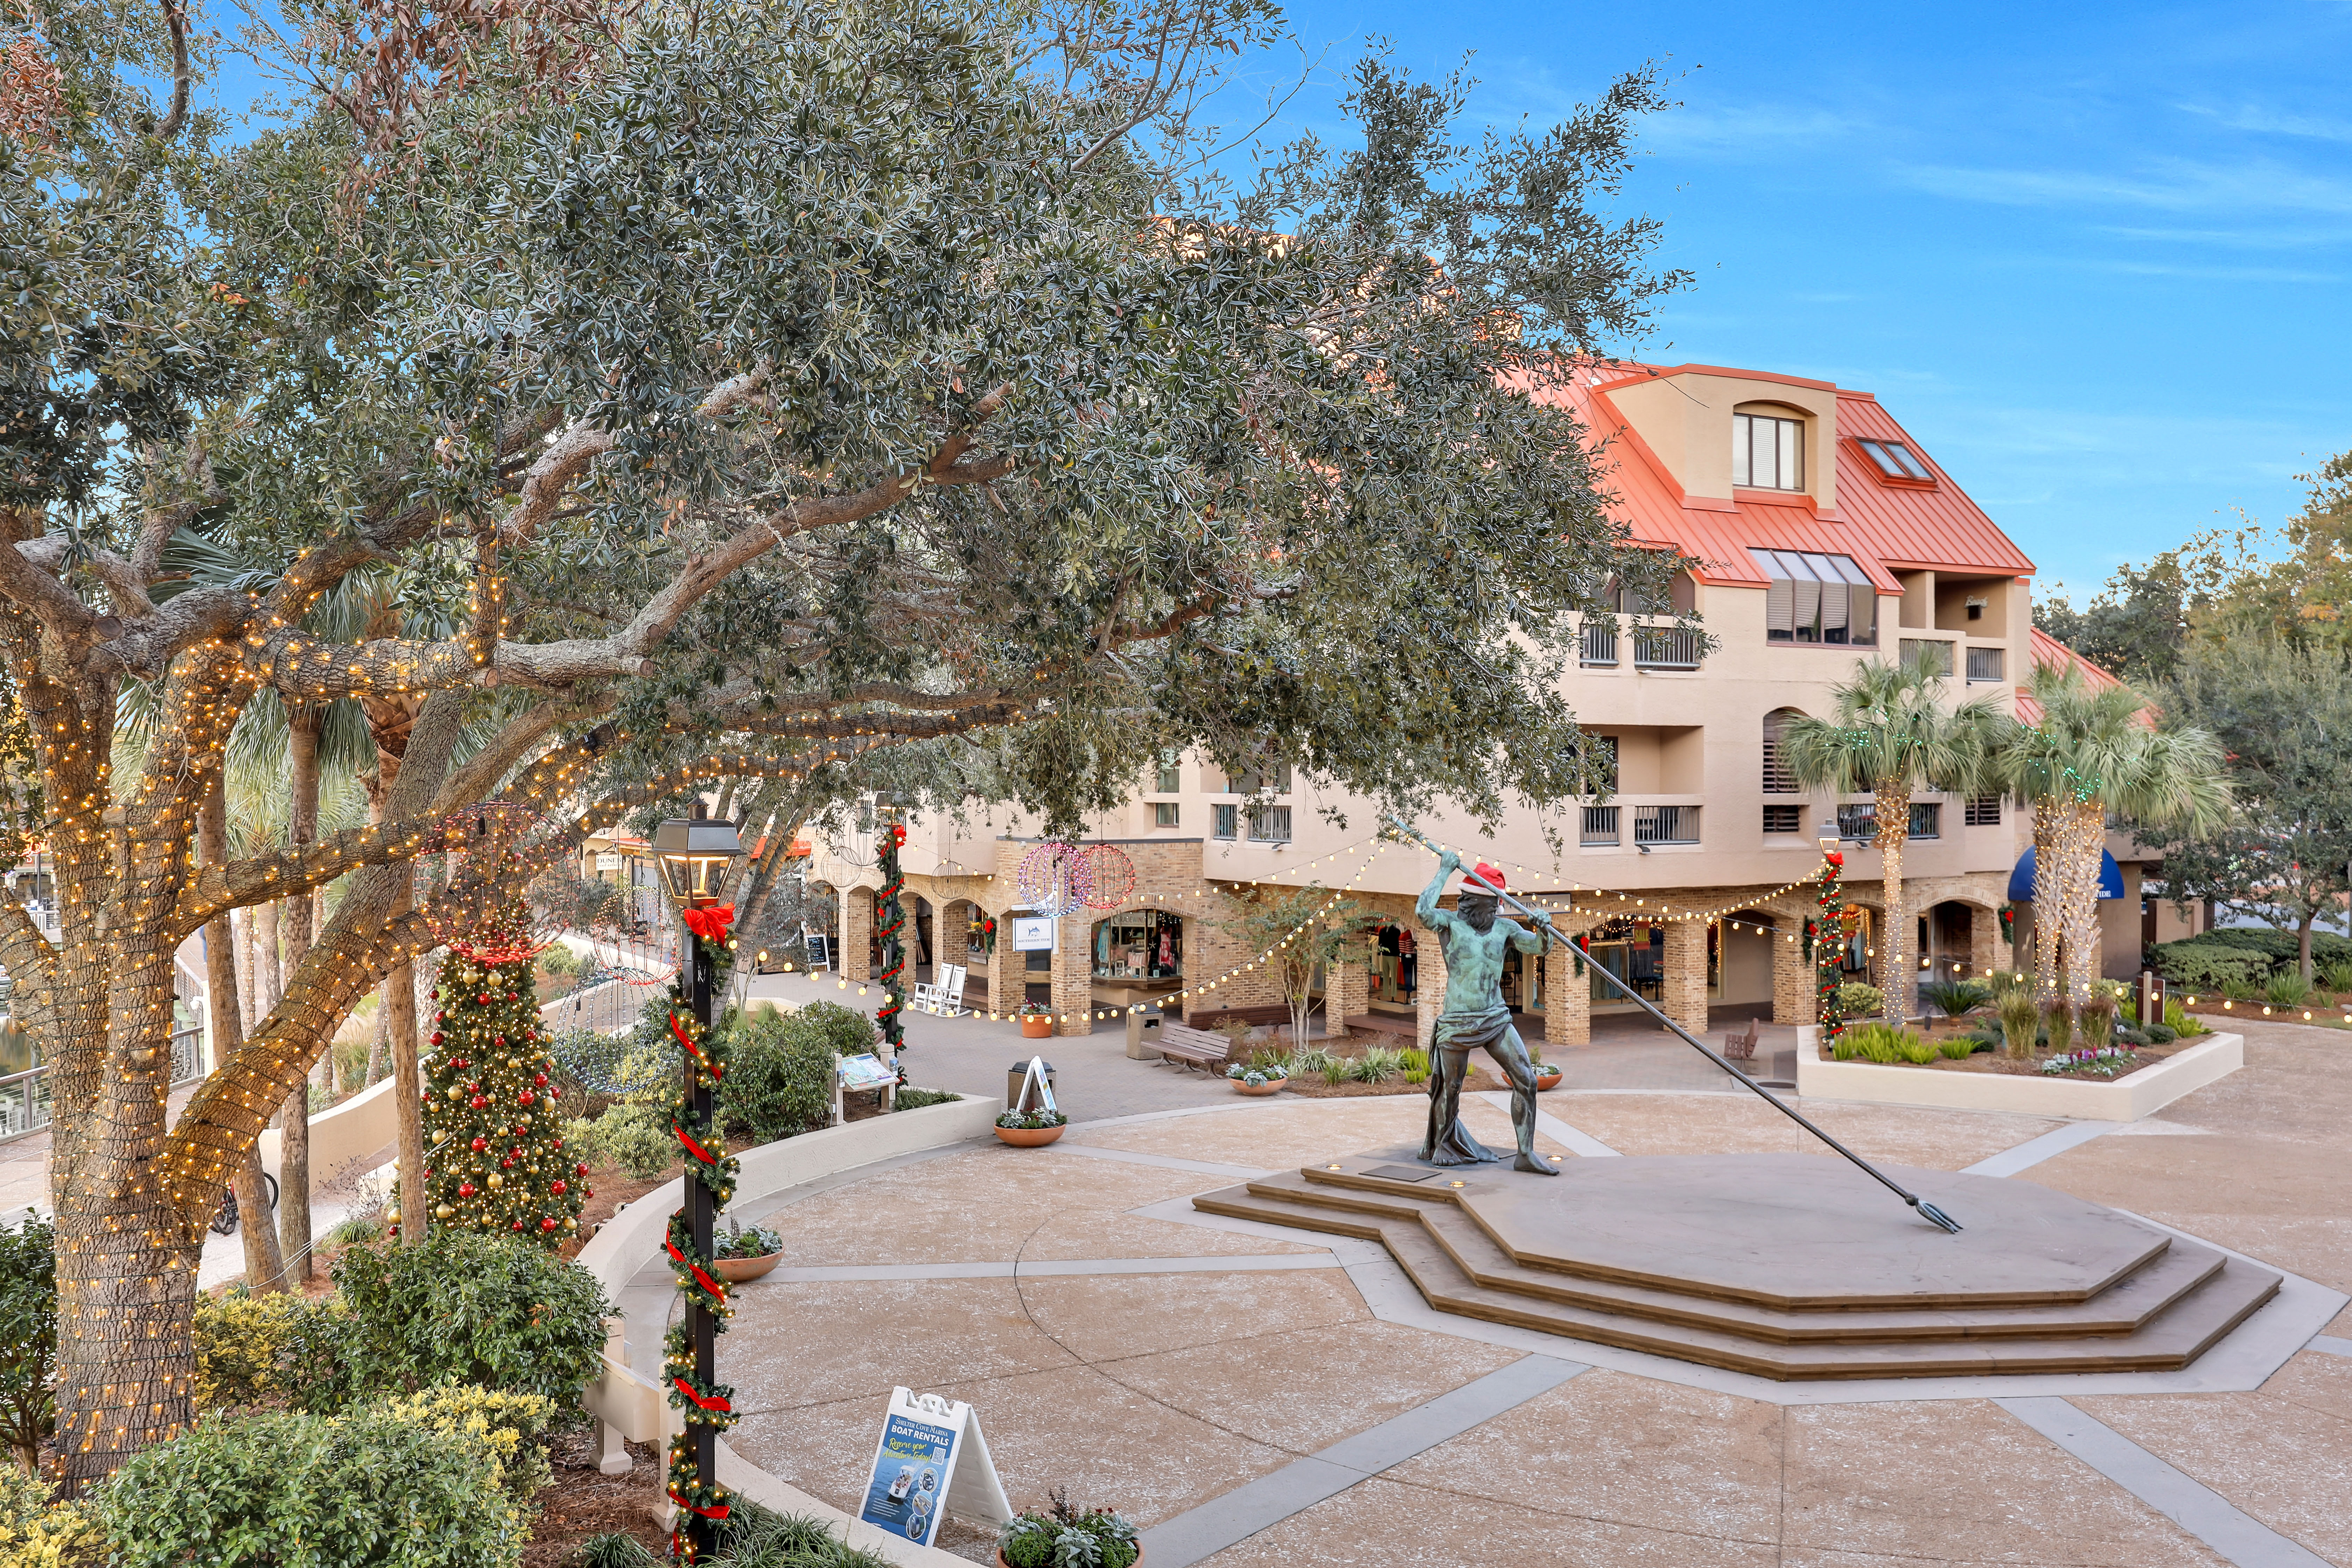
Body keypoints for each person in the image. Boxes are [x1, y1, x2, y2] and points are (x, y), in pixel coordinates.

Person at [1415, 849, 1556, 1174]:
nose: (1496, 909)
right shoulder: (1450, 923)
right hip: (1457, 1021)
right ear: (1472, 901)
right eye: (1492, 904)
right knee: (1451, 1088)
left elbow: (1539, 948)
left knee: (1527, 1080)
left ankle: (1525, 1154)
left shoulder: (1505, 930)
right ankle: (1444, 1145)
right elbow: (1423, 911)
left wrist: (1543, 928)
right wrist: (1444, 870)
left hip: (1495, 1018)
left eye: (1497, 905)